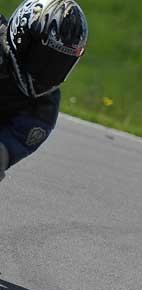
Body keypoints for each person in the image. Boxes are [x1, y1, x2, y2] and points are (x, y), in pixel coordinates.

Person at [0, 0, 88, 183]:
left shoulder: (43, 110)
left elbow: (4, 151)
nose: (48, 70)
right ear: (22, 35)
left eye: (59, 63)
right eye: (44, 58)